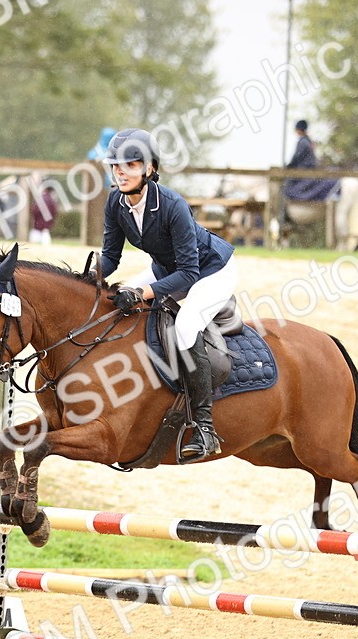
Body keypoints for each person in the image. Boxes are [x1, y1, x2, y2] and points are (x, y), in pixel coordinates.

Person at [99, 128, 236, 462]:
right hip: (167, 269)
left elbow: (189, 274)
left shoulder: (172, 204)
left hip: (211, 271)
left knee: (187, 326)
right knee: (117, 302)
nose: (121, 172)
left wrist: (144, 292)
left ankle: (205, 427)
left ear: (149, 169)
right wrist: (86, 278)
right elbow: (110, 259)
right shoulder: (116, 202)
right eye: (116, 165)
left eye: (131, 164)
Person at [283, 120, 339, 202]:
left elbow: (296, 157)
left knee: (287, 187)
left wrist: (288, 167)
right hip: (311, 170)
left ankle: (295, 200)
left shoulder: (302, 142)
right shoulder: (308, 141)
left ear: (298, 130)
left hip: (304, 171)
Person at [28, 173, 58, 245]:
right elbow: (55, 213)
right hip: (45, 230)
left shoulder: (41, 198)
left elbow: (34, 211)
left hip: (37, 230)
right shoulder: (52, 200)